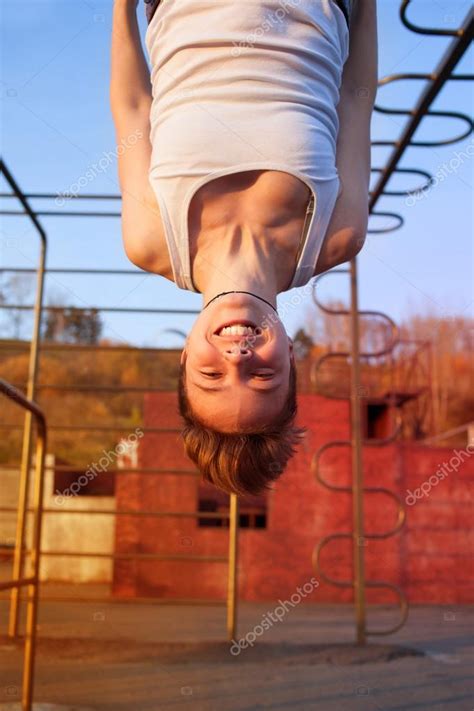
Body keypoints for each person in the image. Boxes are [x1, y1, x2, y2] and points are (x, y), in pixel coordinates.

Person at [110, 0, 377, 495]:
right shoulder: (336, 235)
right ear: (291, 358)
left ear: (184, 356)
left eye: (211, 374)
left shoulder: (149, 240)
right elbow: (356, 100)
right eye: (262, 377)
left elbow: (132, 106)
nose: (237, 355)